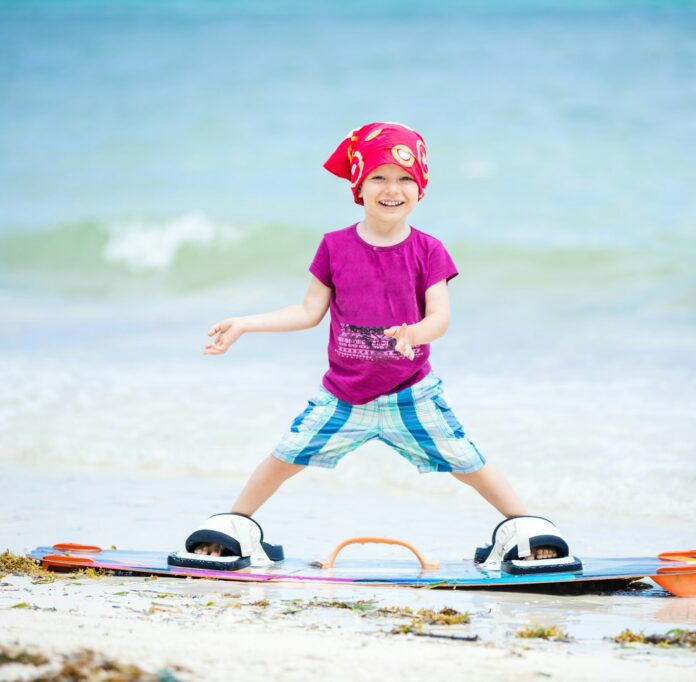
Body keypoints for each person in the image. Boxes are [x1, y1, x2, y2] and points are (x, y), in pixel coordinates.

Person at [173, 122, 579, 575]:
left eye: (406, 179)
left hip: (412, 393)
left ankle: (522, 525)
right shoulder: (334, 246)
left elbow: (440, 318)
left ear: (420, 190)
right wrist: (246, 323)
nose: (393, 189)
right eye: (380, 177)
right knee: (286, 456)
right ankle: (237, 523)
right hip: (344, 395)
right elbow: (309, 312)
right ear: (359, 185)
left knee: (467, 461)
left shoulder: (429, 250)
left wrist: (414, 334)